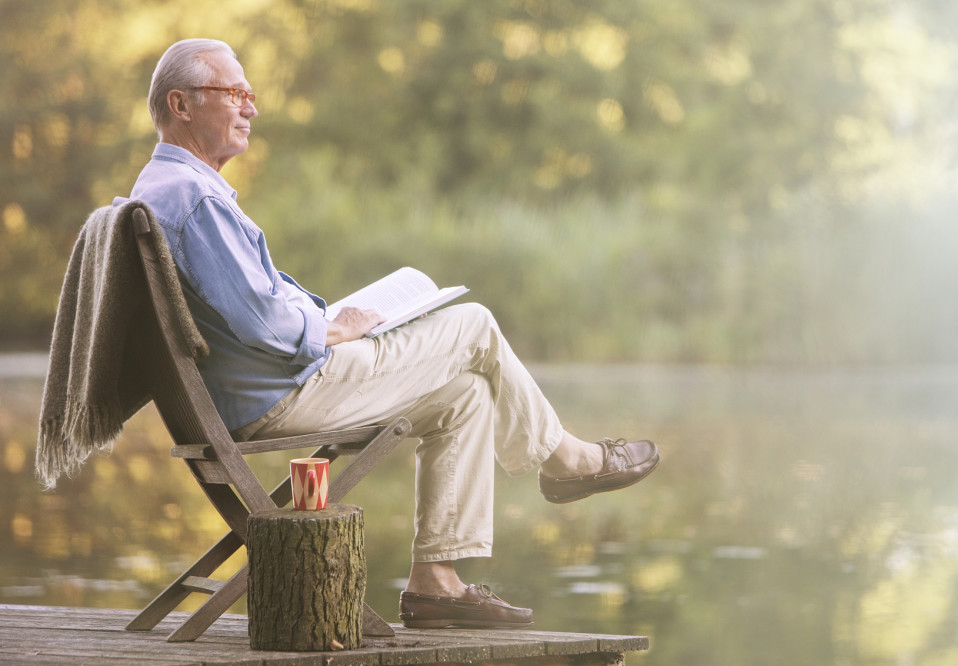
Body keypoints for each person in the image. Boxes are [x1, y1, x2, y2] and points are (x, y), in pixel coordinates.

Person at [117, 38, 659, 629]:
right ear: (182, 103)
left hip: (261, 388)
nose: (251, 108)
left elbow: (251, 311)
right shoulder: (193, 200)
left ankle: (436, 584)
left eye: (250, 95)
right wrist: (333, 327)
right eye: (236, 94)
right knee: (473, 324)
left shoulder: (166, 189)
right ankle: (569, 460)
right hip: (281, 391)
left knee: (465, 396)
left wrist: (333, 323)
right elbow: (262, 322)